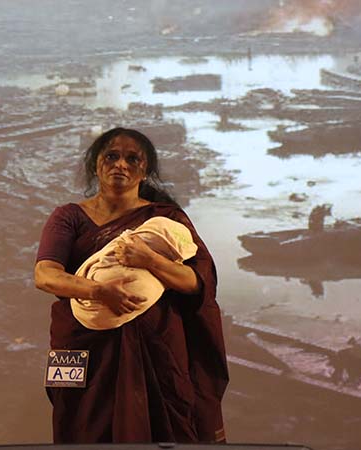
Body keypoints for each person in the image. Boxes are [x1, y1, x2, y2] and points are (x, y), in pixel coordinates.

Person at [34, 127, 229, 443]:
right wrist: (98, 291)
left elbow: (198, 283)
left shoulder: (166, 220)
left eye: (132, 159)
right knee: (80, 427)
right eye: (111, 156)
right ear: (95, 164)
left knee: (164, 431)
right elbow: (45, 274)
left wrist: (149, 260)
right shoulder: (68, 216)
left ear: (145, 170)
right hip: (82, 346)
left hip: (157, 349)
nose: (120, 165)